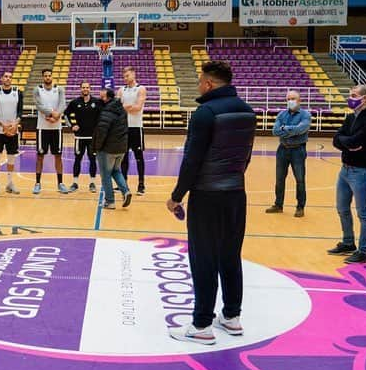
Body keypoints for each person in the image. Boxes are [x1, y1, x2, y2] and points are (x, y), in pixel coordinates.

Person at [166, 60, 255, 345]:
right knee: (230, 255)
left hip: (207, 195)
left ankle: (202, 324)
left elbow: (192, 159)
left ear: (209, 83)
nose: (198, 84)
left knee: (203, 259)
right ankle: (231, 317)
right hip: (236, 194)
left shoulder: (206, 113)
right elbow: (246, 157)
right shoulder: (247, 111)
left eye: (200, 80)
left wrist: (177, 195)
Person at [329, 84, 366, 264]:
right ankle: (348, 242)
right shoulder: (351, 117)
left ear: (364, 98)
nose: (350, 98)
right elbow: (338, 139)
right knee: (342, 208)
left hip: (361, 171)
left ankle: (363, 251)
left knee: (363, 212)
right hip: (345, 169)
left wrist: (347, 142)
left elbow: (355, 141)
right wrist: (347, 143)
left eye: (354, 95)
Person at [266, 90, 311, 217]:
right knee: (279, 179)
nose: (290, 101)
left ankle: (300, 207)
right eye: (288, 99)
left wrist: (284, 129)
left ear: (299, 100)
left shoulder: (305, 115)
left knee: (300, 179)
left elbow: (302, 129)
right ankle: (278, 205)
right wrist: (292, 130)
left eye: (293, 98)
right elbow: (275, 131)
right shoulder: (281, 114)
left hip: (298, 150)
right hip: (282, 149)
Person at [94, 88, 132, 209]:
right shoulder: (122, 110)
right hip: (121, 148)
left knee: (105, 175)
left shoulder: (107, 112)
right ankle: (126, 191)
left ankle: (110, 201)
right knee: (116, 171)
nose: (100, 100)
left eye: (102, 98)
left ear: (108, 98)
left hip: (108, 149)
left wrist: (96, 147)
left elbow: (101, 132)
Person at [33, 69, 68, 194]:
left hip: (56, 128)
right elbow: (39, 105)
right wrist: (52, 113)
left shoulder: (59, 89)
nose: (48, 77)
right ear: (43, 77)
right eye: (45, 76)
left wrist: (57, 115)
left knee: (58, 156)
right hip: (42, 128)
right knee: (40, 156)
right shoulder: (38, 89)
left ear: (52, 77)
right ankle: (37, 183)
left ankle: (60, 183)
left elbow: (63, 104)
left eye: (49, 75)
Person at [0, 71, 23, 196]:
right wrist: (3, 125)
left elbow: (20, 112)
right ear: (1, 78)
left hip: (13, 130)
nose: (8, 79)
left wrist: (15, 124)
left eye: (10, 77)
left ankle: (10, 183)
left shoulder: (18, 92)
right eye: (6, 77)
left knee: (11, 157)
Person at [65, 81, 101, 193]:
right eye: (83, 87)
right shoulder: (75, 102)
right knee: (78, 159)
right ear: (80, 89)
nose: (85, 89)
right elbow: (66, 114)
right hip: (79, 137)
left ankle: (92, 183)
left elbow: (103, 116)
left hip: (92, 137)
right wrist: (71, 126)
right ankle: (75, 183)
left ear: (90, 89)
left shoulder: (97, 102)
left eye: (87, 87)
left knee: (92, 159)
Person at [119, 67, 147, 195]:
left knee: (138, 157)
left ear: (133, 75)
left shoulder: (141, 89)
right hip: (124, 128)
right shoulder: (121, 90)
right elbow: (116, 107)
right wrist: (129, 107)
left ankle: (141, 184)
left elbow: (138, 107)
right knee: (123, 157)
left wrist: (125, 107)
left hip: (136, 127)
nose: (125, 78)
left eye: (127, 75)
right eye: (124, 76)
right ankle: (123, 183)